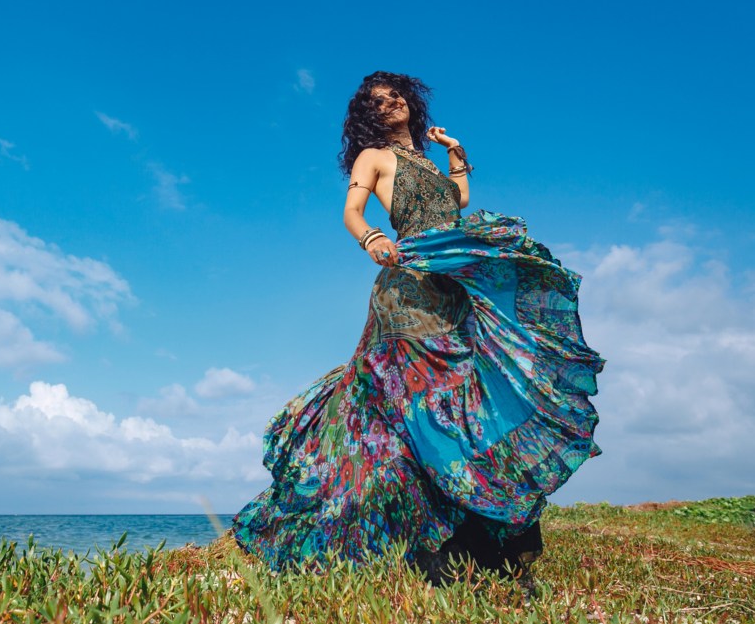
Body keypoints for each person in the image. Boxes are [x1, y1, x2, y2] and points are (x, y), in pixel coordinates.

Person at [232, 71, 604, 588]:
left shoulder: (427, 162)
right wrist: (373, 242)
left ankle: (487, 550)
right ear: (368, 117)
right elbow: (351, 212)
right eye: (378, 103)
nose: (391, 105)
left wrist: (456, 152)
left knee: (470, 403)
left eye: (396, 96)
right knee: (419, 407)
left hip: (451, 286)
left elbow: (458, 201)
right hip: (405, 292)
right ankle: (434, 553)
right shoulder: (374, 157)